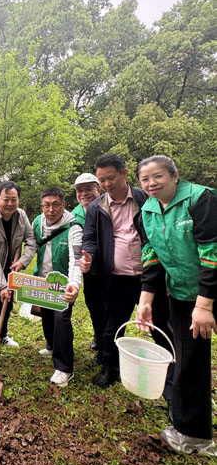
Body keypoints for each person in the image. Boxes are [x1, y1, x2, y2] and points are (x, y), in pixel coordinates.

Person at [136, 155, 216, 456]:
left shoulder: (201, 200)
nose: (151, 183)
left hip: (210, 292)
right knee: (189, 361)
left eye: (158, 176)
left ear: (174, 175)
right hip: (182, 296)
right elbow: (152, 257)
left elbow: (212, 251)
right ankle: (194, 434)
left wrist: (204, 306)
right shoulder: (146, 212)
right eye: (145, 179)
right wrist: (145, 301)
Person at [80, 154, 172, 390]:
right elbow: (89, 238)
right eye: (101, 180)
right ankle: (111, 369)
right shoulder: (96, 207)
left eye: (110, 178)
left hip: (149, 277)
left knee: (161, 325)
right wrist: (88, 255)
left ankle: (171, 375)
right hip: (116, 279)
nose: (106, 184)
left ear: (124, 173)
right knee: (112, 327)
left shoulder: (146, 198)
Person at [0, 181, 37, 371]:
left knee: (8, 304)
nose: (10, 203)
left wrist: (23, 262)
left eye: (14, 199)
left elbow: (31, 240)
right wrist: (2, 286)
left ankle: (2, 335)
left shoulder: (21, 216)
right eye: (6, 199)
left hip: (12, 268)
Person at [33, 188, 82, 386]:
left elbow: (76, 259)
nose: (51, 210)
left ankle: (64, 368)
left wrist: (74, 283)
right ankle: (51, 345)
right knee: (46, 314)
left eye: (55, 204)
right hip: (43, 280)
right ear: (42, 206)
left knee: (61, 319)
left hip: (64, 283)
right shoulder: (38, 222)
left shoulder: (74, 228)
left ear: (63, 204)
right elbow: (31, 245)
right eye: (46, 205)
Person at [71, 173, 103, 360]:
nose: (84, 193)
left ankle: (108, 347)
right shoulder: (74, 215)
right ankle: (99, 338)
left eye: (89, 189)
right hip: (88, 269)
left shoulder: (108, 206)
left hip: (110, 267)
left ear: (98, 189)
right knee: (94, 305)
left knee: (110, 307)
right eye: (80, 190)